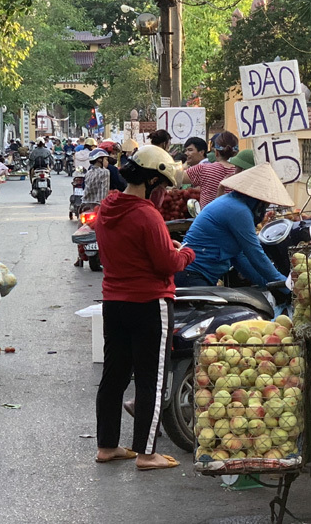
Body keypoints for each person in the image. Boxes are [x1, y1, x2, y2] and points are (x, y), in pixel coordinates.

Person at [94, 144, 193, 470]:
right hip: (150, 304)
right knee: (152, 378)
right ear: (152, 182)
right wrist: (186, 253)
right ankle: (147, 453)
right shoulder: (146, 214)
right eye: (162, 186)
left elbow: (135, 250)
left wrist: (166, 244)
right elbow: (167, 264)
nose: (163, 192)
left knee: (115, 376)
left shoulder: (109, 206)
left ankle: (107, 446)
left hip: (114, 303)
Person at [175, 162, 293, 288]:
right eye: (265, 204)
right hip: (193, 274)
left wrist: (272, 285)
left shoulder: (233, 203)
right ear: (259, 200)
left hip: (193, 273)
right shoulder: (238, 210)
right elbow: (255, 253)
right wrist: (284, 285)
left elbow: (240, 258)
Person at [181, 131, 238, 208]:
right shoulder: (241, 173)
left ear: (216, 152)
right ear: (235, 153)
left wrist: (183, 166)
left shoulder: (203, 169)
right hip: (235, 218)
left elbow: (177, 177)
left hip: (209, 218)